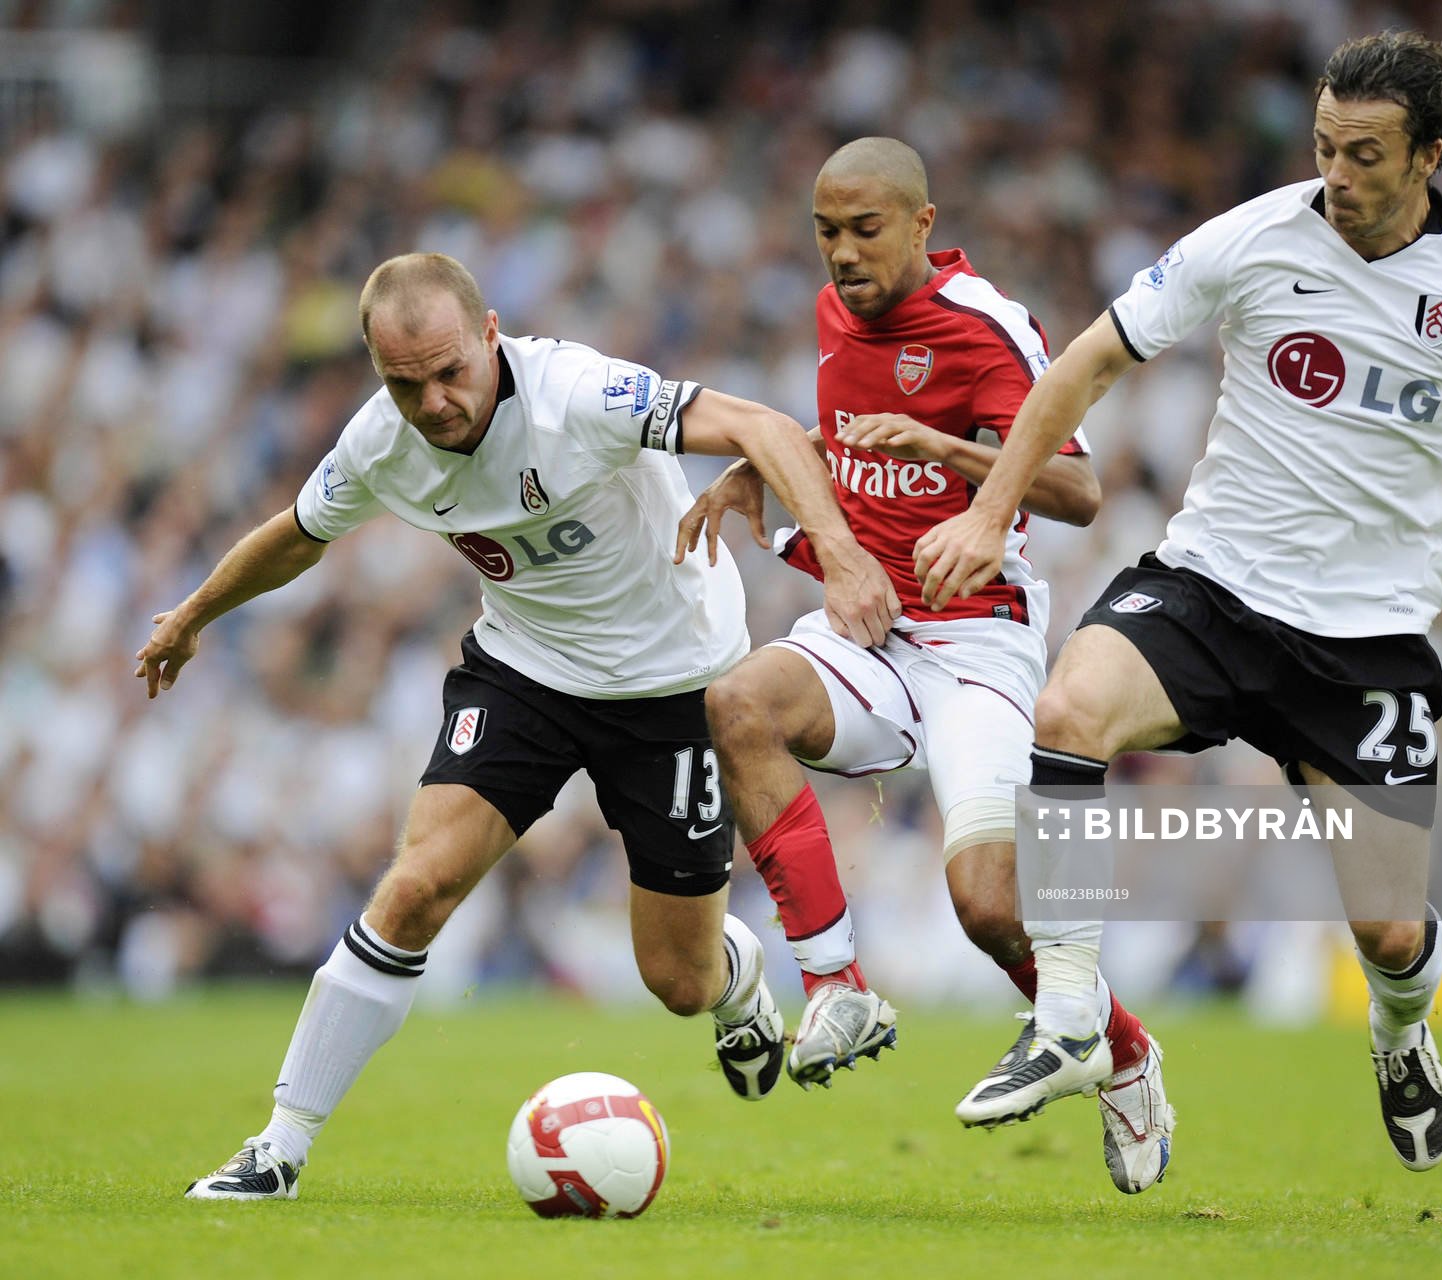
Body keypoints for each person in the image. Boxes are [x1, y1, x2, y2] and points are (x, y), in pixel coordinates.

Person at [914, 31, 1442, 1171]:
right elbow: (1091, 360)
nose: (1336, 175)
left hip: (1366, 645)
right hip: (1213, 588)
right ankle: (1068, 1018)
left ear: (1430, 154)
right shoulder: (1253, 237)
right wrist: (990, 507)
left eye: (1365, 154)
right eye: (1324, 147)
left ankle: (1400, 1032)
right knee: (1069, 716)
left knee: (1391, 932)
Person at [140, 252, 899, 1201]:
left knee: (679, 982)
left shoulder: (581, 394)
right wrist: (192, 617)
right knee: (417, 886)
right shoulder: (381, 440)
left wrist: (834, 550)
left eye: (450, 371)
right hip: (525, 674)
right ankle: (280, 1147)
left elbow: (761, 424)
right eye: (404, 383)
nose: (434, 403)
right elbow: (298, 532)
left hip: (678, 687)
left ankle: (735, 975)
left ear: (492, 332)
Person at [679, 137, 1174, 1194]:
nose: (843, 254)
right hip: (868, 632)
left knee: (991, 905)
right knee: (740, 703)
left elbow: (1080, 491)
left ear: (921, 222)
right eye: (826, 232)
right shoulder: (831, 317)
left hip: (977, 638)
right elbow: (844, 445)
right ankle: (836, 983)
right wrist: (754, 473)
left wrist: (946, 451)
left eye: (865, 230)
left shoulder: (985, 325)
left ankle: (1124, 1051)